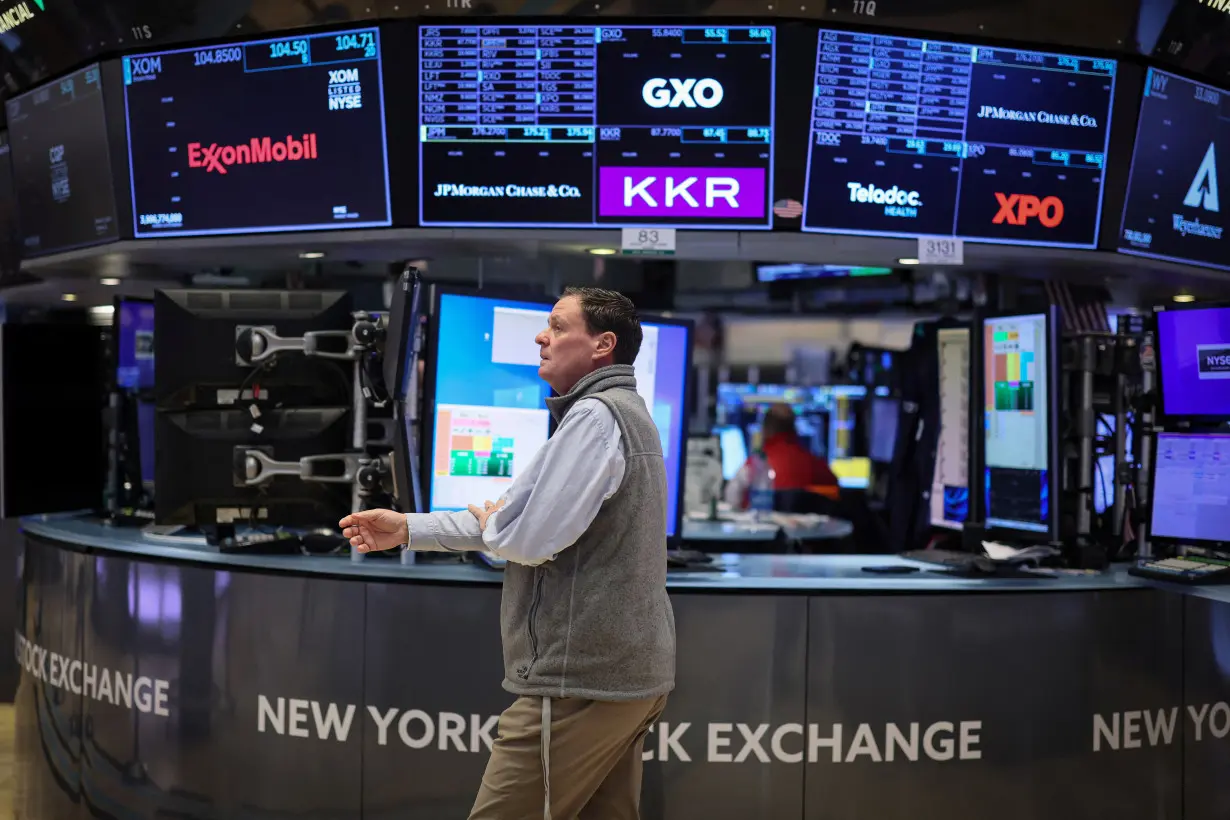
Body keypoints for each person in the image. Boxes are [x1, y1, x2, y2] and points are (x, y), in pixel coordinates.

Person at [339, 287, 674, 820]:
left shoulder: (593, 417)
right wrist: (408, 528)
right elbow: (512, 524)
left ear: (602, 344)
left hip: (576, 683)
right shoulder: (622, 413)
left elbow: (524, 540)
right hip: (620, 681)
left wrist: (500, 522)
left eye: (559, 326)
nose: (542, 336)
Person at [724, 402, 840, 509]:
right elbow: (835, 490)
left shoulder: (755, 464)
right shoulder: (813, 464)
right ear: (794, 429)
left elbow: (732, 498)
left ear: (766, 429)